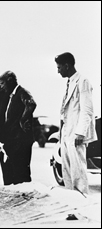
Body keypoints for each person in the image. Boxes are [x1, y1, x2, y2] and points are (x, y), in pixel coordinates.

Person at [55, 52, 97, 196]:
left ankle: (82, 205)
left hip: (76, 134)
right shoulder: (70, 82)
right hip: (66, 133)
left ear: (67, 65)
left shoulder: (83, 81)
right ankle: (71, 205)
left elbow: (87, 110)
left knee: (78, 172)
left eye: (59, 67)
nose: (58, 71)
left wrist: (80, 132)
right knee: (67, 171)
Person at [0, 70, 36, 185]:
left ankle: (25, 197)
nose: (1, 86)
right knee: (13, 172)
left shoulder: (21, 92)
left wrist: (23, 120)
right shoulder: (12, 95)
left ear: (10, 82)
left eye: (2, 83)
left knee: (21, 174)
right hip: (13, 140)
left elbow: (31, 104)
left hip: (20, 141)